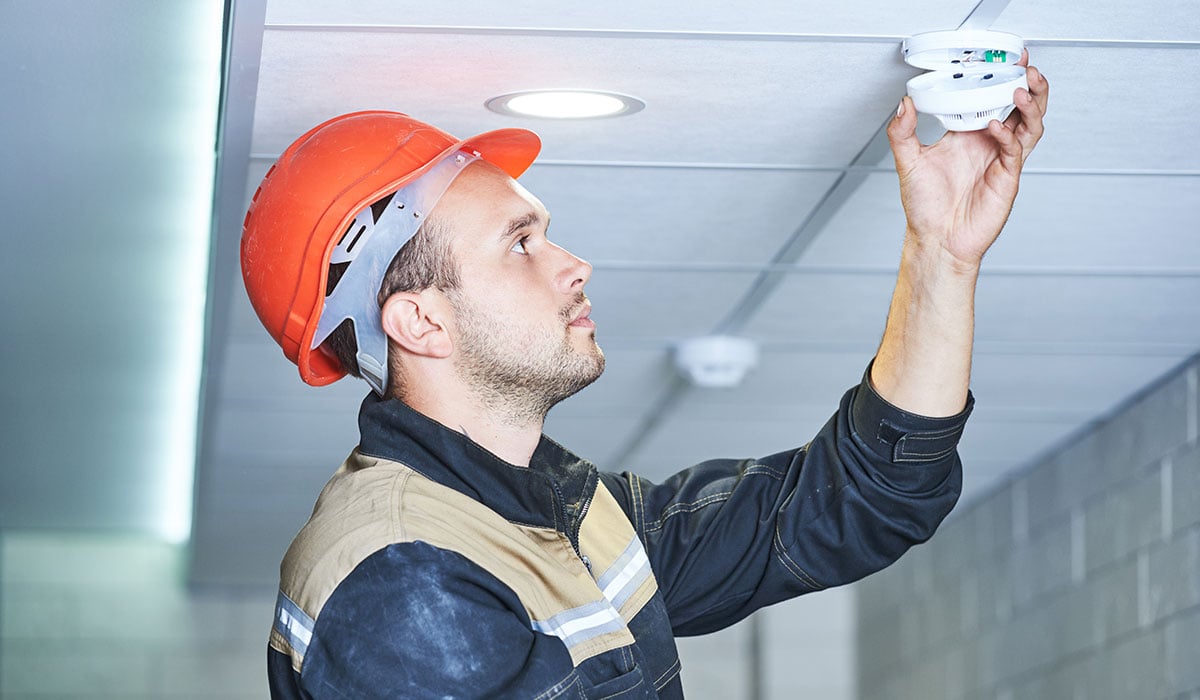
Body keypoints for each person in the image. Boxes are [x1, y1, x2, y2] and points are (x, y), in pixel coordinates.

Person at [242, 54, 1049, 699]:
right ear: (421, 321)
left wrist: (942, 255)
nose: (573, 265)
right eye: (520, 243)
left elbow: (854, 507)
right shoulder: (400, 576)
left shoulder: (556, 508)